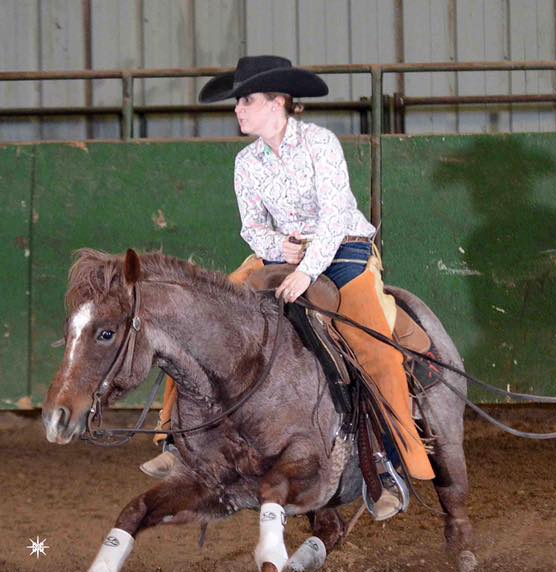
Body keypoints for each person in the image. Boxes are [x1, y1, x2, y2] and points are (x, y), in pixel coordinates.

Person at [141, 55, 434, 518]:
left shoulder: (321, 144)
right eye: (238, 101)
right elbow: (251, 226)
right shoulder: (246, 162)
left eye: (248, 101)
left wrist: (308, 267)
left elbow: (337, 215)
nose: (239, 109)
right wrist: (281, 248)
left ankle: (394, 465)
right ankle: (174, 439)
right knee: (195, 316)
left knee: (376, 350)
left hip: (342, 251)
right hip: (281, 254)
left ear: (278, 103)